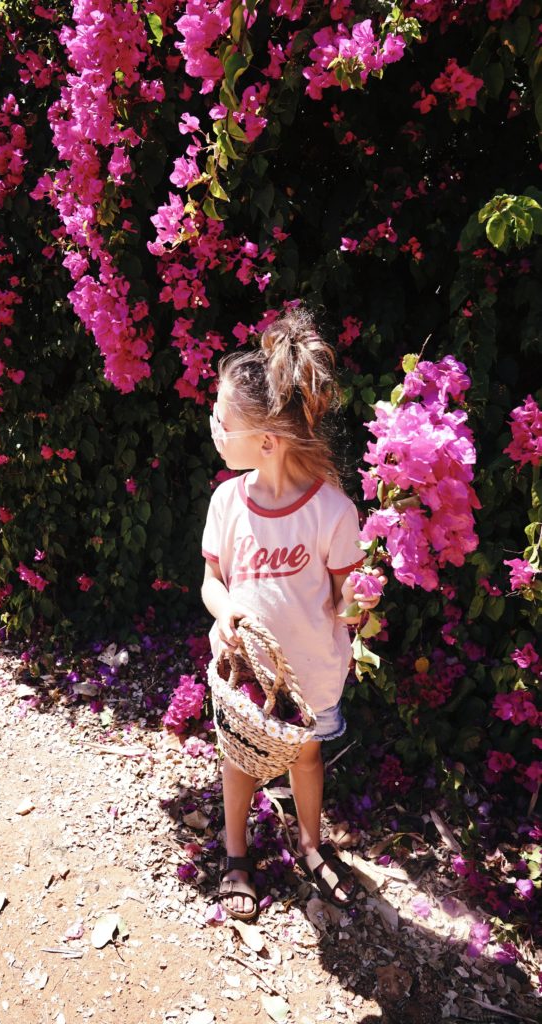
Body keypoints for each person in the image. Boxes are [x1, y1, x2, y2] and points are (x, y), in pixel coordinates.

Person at [201, 307, 385, 921]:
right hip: (248, 674)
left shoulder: (332, 511)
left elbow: (342, 601)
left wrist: (363, 598)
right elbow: (211, 580)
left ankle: (310, 845)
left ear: (267, 441)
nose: (214, 427)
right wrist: (224, 610)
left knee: (307, 756)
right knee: (238, 761)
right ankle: (236, 855)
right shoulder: (229, 501)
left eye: (222, 421)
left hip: (310, 672)